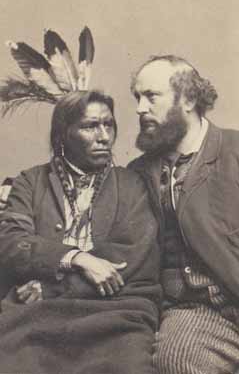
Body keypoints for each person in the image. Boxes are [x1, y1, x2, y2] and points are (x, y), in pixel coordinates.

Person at [0, 90, 161, 374]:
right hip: (35, 313)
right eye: (90, 126)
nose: (104, 137)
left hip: (117, 312)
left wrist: (52, 287)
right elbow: (12, 242)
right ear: (63, 134)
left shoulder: (133, 183)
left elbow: (129, 256)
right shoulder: (31, 181)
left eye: (108, 124)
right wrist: (76, 257)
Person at [128, 55, 239, 374]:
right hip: (199, 310)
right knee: (178, 361)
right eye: (137, 98)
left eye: (151, 96)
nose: (140, 108)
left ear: (189, 99)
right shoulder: (138, 173)